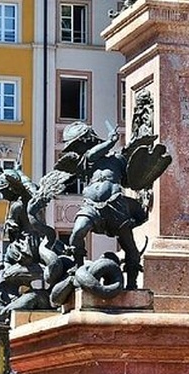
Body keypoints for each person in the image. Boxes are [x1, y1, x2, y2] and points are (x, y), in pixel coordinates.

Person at [63, 122, 148, 290]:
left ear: (87, 139)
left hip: (116, 204)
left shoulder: (117, 160)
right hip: (92, 206)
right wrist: (110, 141)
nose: (76, 149)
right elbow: (94, 154)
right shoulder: (87, 159)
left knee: (130, 247)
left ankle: (132, 283)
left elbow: (132, 178)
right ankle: (78, 270)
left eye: (77, 144)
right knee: (78, 232)